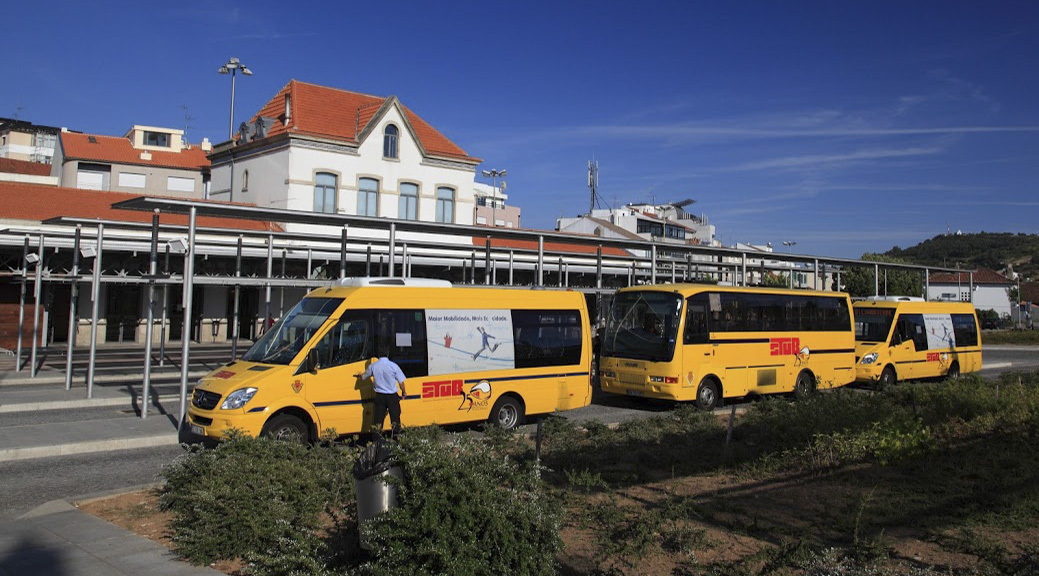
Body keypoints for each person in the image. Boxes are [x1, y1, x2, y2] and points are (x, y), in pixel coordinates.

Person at [355, 346, 407, 435]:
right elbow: (401, 382)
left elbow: (363, 377)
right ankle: (397, 439)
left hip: (379, 396)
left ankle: (377, 441)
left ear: (378, 355)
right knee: (395, 419)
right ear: (388, 354)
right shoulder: (393, 366)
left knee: (378, 421)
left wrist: (359, 376)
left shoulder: (373, 366)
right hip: (392, 397)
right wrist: (404, 392)